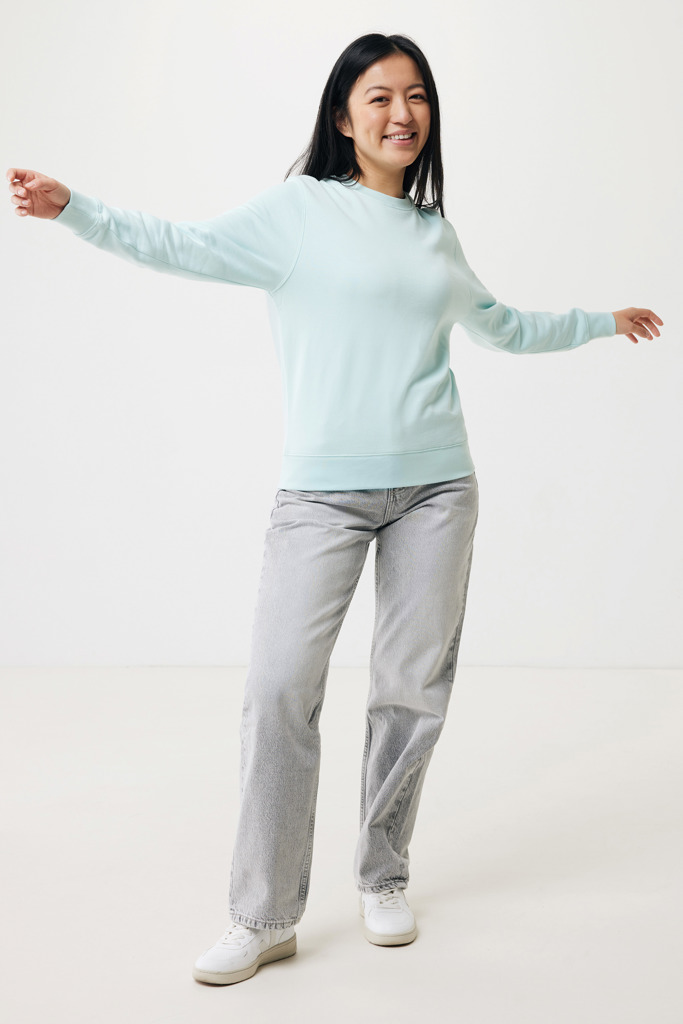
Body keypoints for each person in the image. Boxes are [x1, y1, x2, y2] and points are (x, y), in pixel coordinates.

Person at [7, 31, 663, 988]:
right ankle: (263, 915)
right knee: (279, 689)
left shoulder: (434, 232)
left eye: (416, 96)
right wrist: (77, 209)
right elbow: (185, 247)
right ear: (344, 117)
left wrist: (602, 321)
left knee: (410, 692)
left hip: (437, 490)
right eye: (380, 97)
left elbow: (503, 327)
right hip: (321, 494)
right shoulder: (300, 212)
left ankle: (383, 874)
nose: (402, 113)